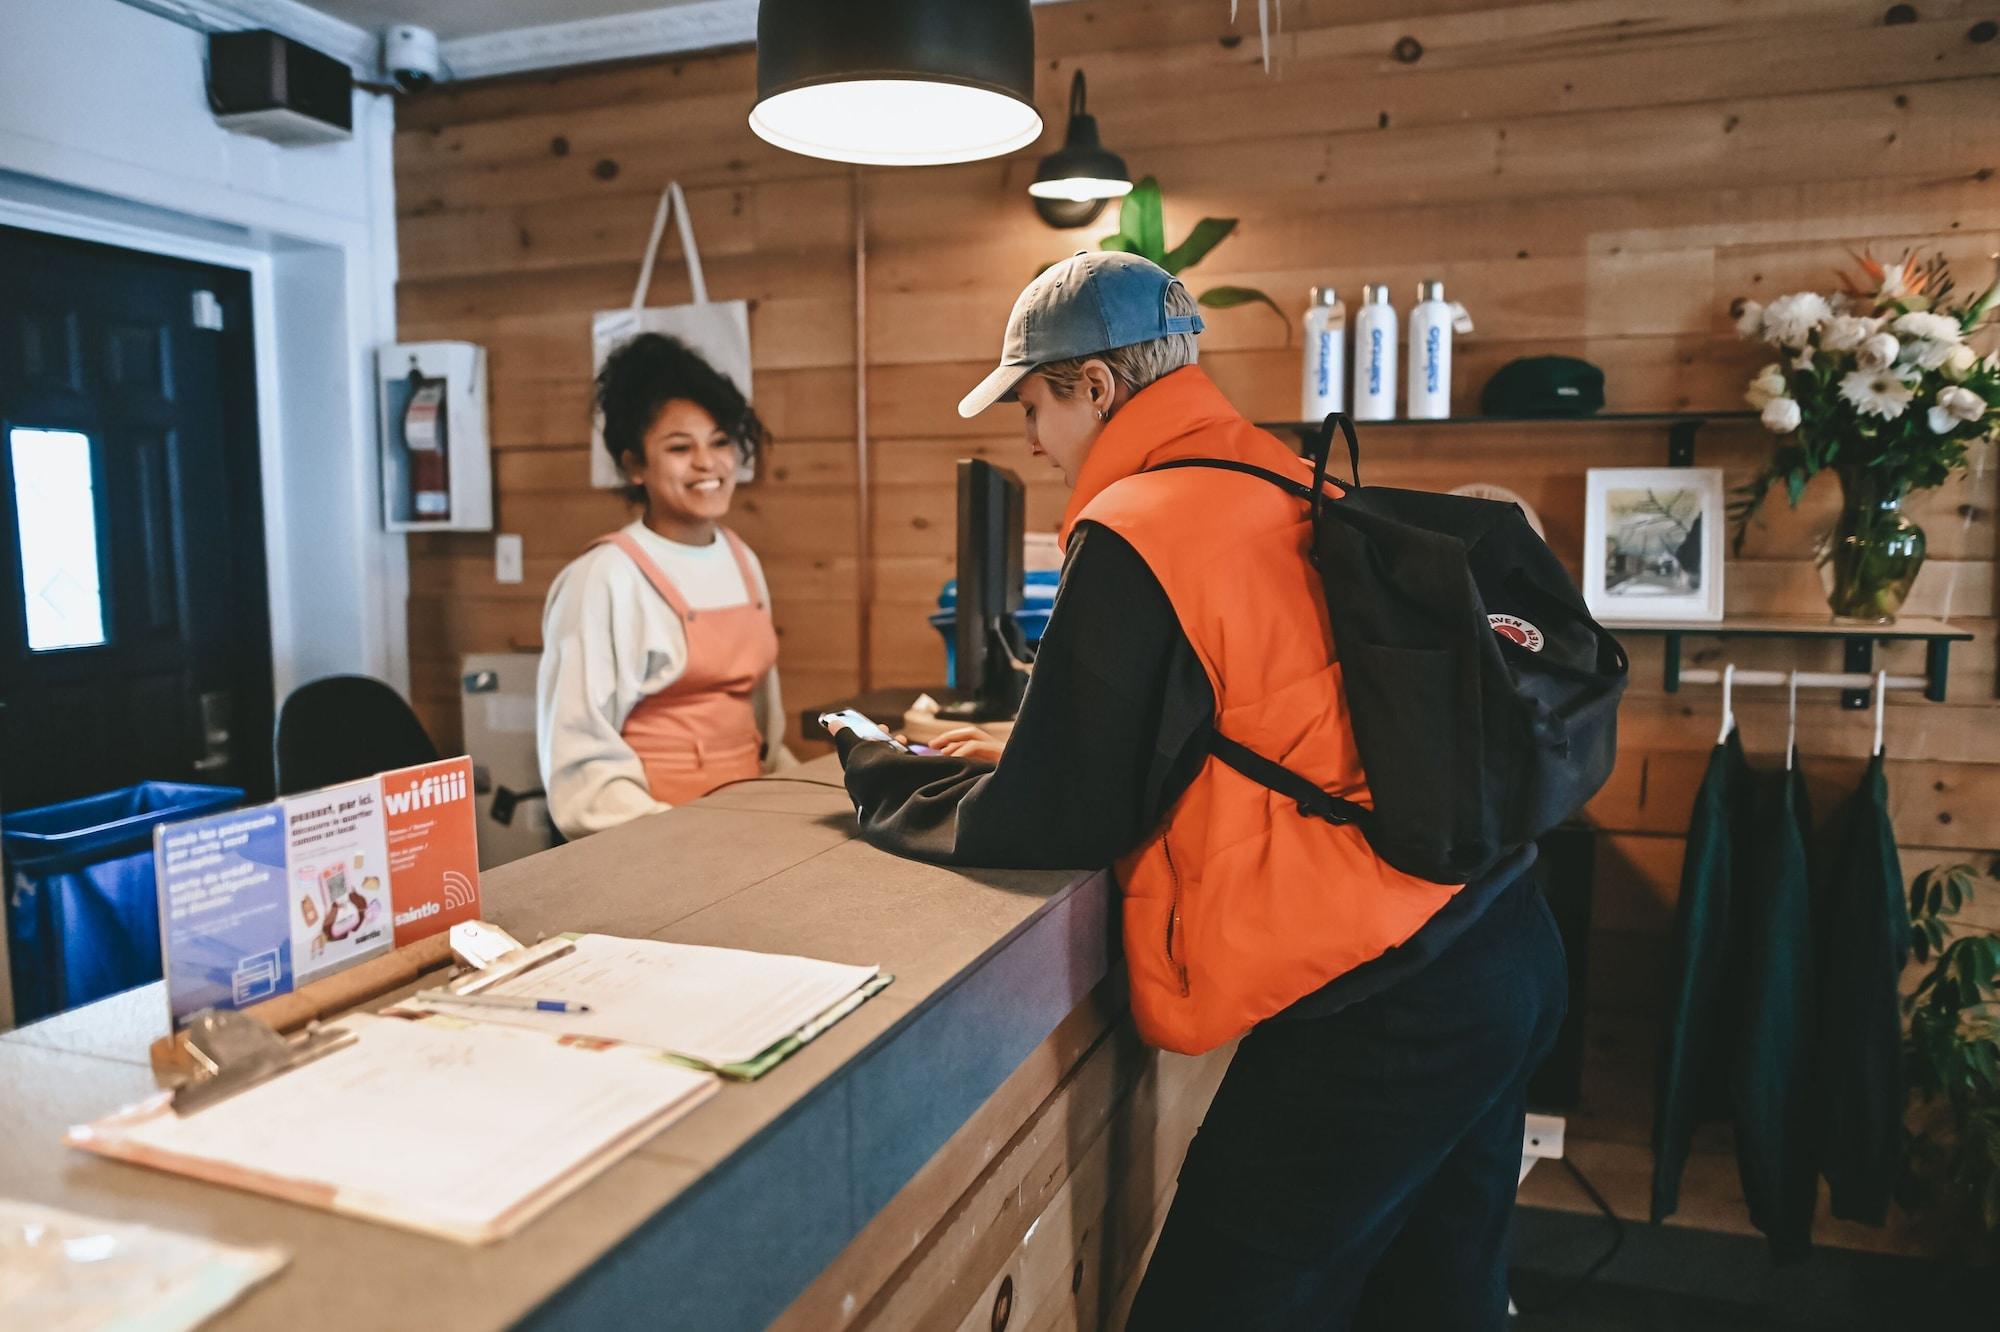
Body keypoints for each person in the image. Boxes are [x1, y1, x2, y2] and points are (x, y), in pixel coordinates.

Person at [827, 253, 1567, 1330]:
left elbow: (1051, 817)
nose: (1030, 440)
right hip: (1499, 935)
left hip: (1385, 1006)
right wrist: (1029, 743)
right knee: (1433, 1305)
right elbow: (1245, 711)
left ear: (1095, 386)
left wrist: (880, 771)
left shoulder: (1140, 524)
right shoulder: (1281, 474)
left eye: (1032, 407)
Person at [537, 334, 792, 840]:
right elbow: (581, 773)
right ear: (635, 465)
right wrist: (682, 838)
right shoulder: (603, 577)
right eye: (680, 448)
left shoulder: (742, 560)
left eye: (720, 442)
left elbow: (767, 732)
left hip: (749, 826)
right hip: (656, 842)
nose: (707, 463)